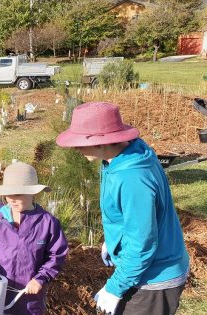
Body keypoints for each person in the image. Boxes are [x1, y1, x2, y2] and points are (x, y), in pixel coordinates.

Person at [56, 102, 189, 315]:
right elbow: (130, 217)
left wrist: (115, 287)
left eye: (80, 142)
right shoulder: (121, 156)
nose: (76, 149)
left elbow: (142, 244)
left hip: (154, 278)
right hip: (143, 270)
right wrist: (114, 239)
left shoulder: (131, 178)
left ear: (102, 142)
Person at [0, 162, 69, 315]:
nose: (11, 199)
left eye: (18, 194)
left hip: (29, 294)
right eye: (8, 194)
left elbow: (56, 255)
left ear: (33, 193)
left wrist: (40, 278)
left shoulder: (47, 223)